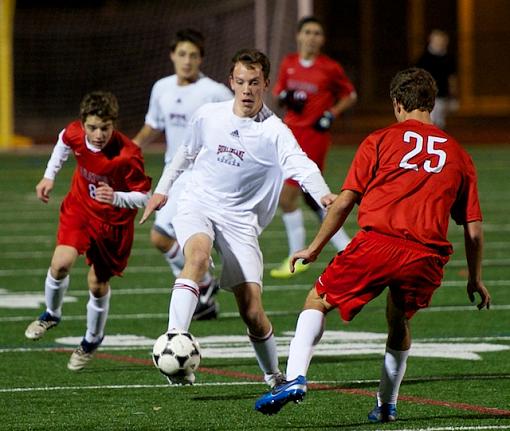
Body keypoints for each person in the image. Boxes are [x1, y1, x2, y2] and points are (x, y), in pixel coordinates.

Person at [254, 67, 491, 422]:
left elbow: (345, 201)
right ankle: (386, 405)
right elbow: (473, 232)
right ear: (431, 103)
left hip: (378, 244)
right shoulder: (459, 155)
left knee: (317, 299)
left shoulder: (379, 140)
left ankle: (294, 378)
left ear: (397, 104)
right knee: (399, 321)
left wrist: (315, 248)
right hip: (426, 257)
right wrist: (475, 279)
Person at [140, 48, 337, 386]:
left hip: (241, 222)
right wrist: (162, 190)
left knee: (252, 311)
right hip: (198, 203)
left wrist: (322, 193)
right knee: (197, 256)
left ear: (266, 85)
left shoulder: (275, 131)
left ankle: (273, 374)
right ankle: (176, 336)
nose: (247, 89)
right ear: (231, 82)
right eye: (241, 81)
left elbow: (301, 164)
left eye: (255, 83)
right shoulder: (209, 115)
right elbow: (184, 154)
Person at [24, 91, 152, 371]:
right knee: (60, 264)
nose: (97, 134)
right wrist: (49, 175)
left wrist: (117, 197)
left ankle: (92, 339)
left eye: (104, 128)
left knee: (96, 284)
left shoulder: (127, 155)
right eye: (92, 127)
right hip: (80, 209)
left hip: (113, 224)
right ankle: (52, 314)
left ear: (113, 125)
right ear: (83, 124)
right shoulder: (74, 133)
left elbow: (147, 197)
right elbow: (62, 141)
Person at [133, 28, 233, 320]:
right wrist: (131, 149)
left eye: (193, 55)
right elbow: (153, 125)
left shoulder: (214, 92)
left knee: (161, 235)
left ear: (201, 59)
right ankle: (203, 287)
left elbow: (241, 118)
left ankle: (201, 284)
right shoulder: (162, 88)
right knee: (167, 239)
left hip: (203, 176)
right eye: (182, 54)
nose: (187, 60)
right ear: (172, 56)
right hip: (173, 174)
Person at [270, 16, 357, 279]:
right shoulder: (289, 63)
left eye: (317, 33)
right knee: (314, 198)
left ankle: (297, 255)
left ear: (322, 39)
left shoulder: (329, 67)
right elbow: (279, 91)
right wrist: (286, 97)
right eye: (307, 31)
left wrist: (331, 113)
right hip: (289, 136)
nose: (312, 36)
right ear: (299, 36)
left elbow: (350, 95)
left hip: (313, 138)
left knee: (287, 197)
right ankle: (348, 248)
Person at [416, 29, 457, 129]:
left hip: (442, 94)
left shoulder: (447, 58)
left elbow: (452, 76)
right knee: (431, 120)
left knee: (440, 121)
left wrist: (453, 91)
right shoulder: (424, 59)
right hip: (429, 95)